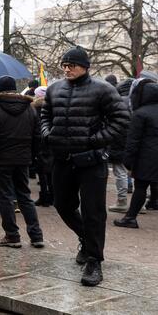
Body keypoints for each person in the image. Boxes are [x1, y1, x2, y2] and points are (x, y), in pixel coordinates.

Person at [41, 46, 129, 287]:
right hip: (62, 159)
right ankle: (85, 238)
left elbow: (121, 119)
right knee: (62, 205)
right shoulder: (54, 88)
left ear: (85, 66)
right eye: (64, 65)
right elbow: (45, 115)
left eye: (72, 65)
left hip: (91, 161)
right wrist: (48, 134)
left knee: (94, 212)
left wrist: (95, 140)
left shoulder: (103, 89)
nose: (67, 69)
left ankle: (94, 260)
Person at [0, 76, 44, 248]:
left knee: (5, 197)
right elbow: (38, 136)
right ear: (15, 89)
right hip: (22, 159)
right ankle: (36, 235)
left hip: (1, 160)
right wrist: (32, 156)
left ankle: (12, 235)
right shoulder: (29, 109)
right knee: (25, 196)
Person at [114, 79, 158, 229]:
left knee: (140, 187)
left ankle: (130, 217)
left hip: (147, 157)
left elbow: (133, 141)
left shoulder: (140, 114)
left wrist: (128, 162)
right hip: (151, 155)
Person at [107, 78, 134, 213]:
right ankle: (138, 203)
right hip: (132, 142)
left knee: (121, 173)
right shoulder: (136, 102)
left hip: (119, 143)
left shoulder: (118, 102)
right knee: (132, 173)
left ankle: (122, 201)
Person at [31, 86, 54, 207]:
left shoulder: (34, 108)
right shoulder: (54, 107)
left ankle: (44, 196)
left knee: (42, 172)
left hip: (40, 142)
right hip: (51, 141)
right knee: (51, 171)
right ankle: (53, 196)